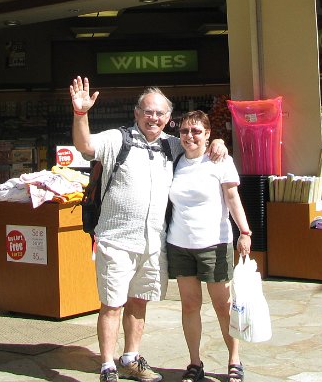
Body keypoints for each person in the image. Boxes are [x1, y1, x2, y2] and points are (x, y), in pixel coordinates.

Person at [70, 77, 228, 382]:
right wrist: (80, 114)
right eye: (148, 111)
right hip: (116, 240)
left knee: (139, 301)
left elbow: (199, 144)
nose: (153, 118)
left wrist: (217, 142)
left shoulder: (172, 145)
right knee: (112, 304)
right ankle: (107, 366)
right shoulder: (118, 139)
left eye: (160, 114)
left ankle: (130, 358)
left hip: (153, 243)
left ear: (168, 118)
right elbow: (85, 145)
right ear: (136, 113)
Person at [166, 110, 252, 382]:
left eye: (196, 131)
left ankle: (234, 359)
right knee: (190, 305)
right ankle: (195, 362)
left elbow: (232, 197)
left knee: (222, 305)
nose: (189, 136)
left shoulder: (220, 160)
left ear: (207, 134)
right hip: (179, 244)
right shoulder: (175, 159)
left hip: (214, 243)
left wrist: (245, 232)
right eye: (184, 131)